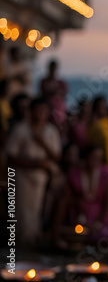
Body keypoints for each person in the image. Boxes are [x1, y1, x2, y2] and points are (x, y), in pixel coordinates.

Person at [6, 98, 61, 245]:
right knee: (22, 211)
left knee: (38, 209)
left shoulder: (50, 131)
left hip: (42, 177)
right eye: (37, 110)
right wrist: (34, 164)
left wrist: (42, 142)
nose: (40, 114)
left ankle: (35, 239)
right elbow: (10, 157)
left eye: (43, 111)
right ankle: (22, 244)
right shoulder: (21, 129)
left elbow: (56, 156)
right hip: (23, 175)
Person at [40, 59, 68, 132]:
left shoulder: (60, 82)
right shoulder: (44, 82)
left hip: (58, 109)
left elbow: (64, 94)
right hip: (48, 108)